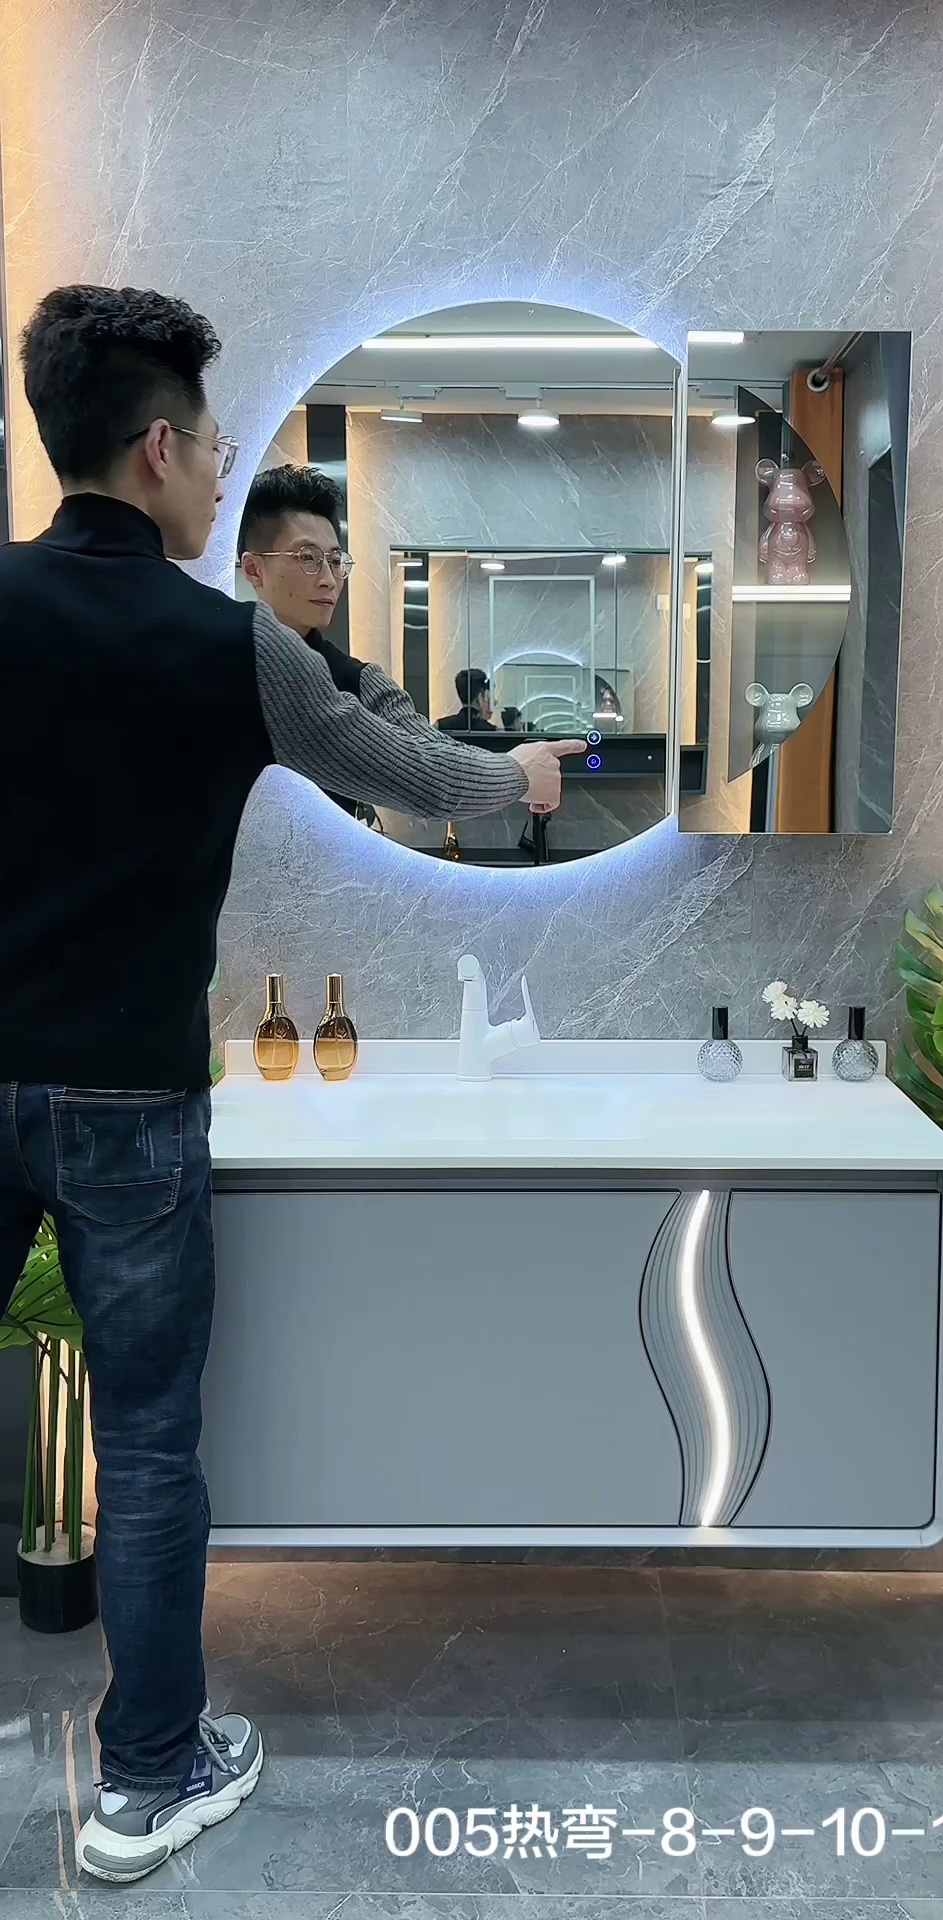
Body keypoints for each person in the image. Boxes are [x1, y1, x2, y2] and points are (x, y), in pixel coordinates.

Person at [0, 284, 584, 1885]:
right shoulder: (225, 644)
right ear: (160, 448)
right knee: (148, 1449)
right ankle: (144, 1786)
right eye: (212, 446)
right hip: (129, 1103)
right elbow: (395, 768)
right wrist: (518, 775)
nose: (220, 476)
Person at [237, 462, 377, 816]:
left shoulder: (356, 679)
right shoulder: (217, 663)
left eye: (335, 560)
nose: (329, 579)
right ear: (253, 569)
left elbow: (420, 753)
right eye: (308, 558)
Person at [437, 666, 497, 733]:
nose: (494, 702)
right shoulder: (493, 732)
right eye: (489, 697)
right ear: (480, 697)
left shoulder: (440, 726)